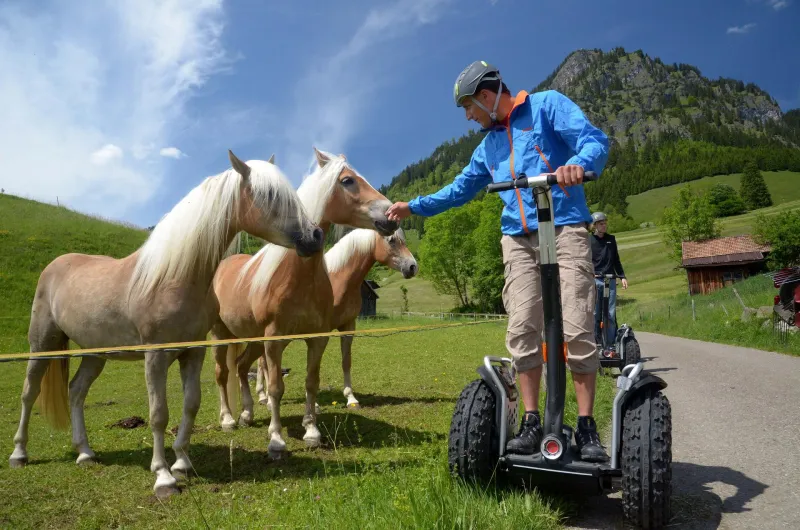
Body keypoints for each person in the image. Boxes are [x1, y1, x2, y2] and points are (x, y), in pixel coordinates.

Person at [386, 60, 610, 462]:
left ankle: (588, 425)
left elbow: (594, 140)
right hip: (517, 240)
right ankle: (530, 420)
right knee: (523, 327)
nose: (469, 117)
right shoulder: (488, 146)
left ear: (486, 97)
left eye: (469, 108)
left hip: (566, 227)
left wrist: (581, 164)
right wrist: (413, 207)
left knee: (576, 326)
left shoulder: (546, 107)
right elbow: (458, 190)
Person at [590, 212, 628, 352]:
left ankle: (610, 345)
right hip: (595, 280)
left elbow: (616, 260)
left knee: (610, 313)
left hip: (610, 280)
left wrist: (622, 276)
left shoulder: (611, 239)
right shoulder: (589, 240)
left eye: (605, 223)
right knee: (595, 313)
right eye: (601, 223)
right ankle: (595, 342)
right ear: (594, 226)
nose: (604, 225)